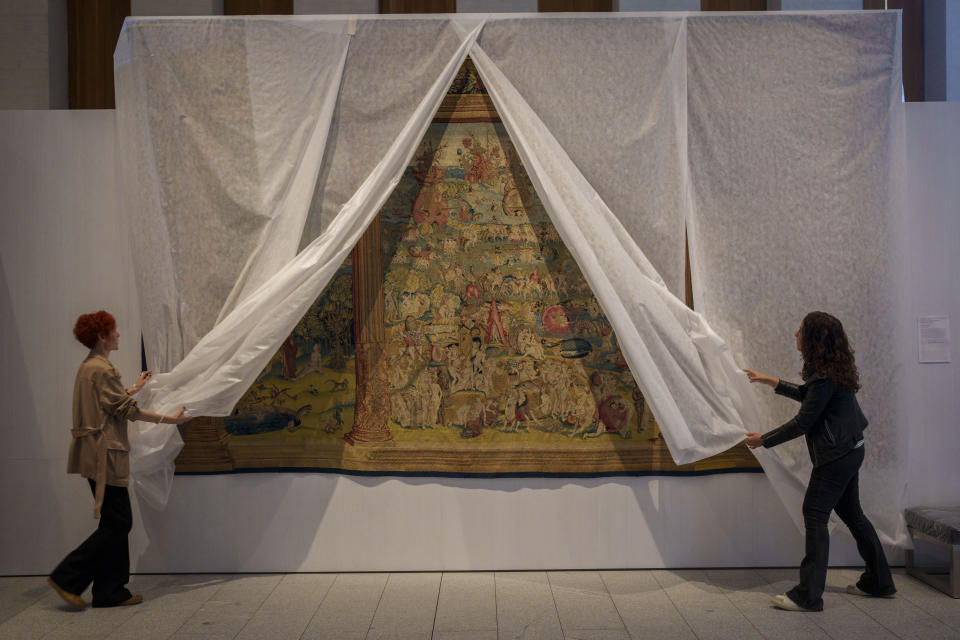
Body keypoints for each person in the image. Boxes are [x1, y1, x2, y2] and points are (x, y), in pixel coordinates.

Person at [743, 311, 895, 612]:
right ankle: (879, 581)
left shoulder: (824, 377)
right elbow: (809, 395)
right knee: (853, 515)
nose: (795, 335)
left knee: (814, 513)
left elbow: (803, 422)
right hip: (851, 448)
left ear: (812, 339)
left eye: (800, 331)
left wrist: (763, 440)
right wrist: (770, 380)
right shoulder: (829, 372)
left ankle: (808, 595)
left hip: (837, 455)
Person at [47, 310, 190, 609]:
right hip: (105, 453)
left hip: (93, 451)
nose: (118, 335)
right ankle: (68, 576)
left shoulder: (90, 367)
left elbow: (110, 403)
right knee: (118, 522)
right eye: (114, 330)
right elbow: (129, 411)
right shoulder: (103, 369)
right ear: (102, 336)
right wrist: (171, 420)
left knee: (116, 521)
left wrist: (135, 389)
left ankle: (109, 591)